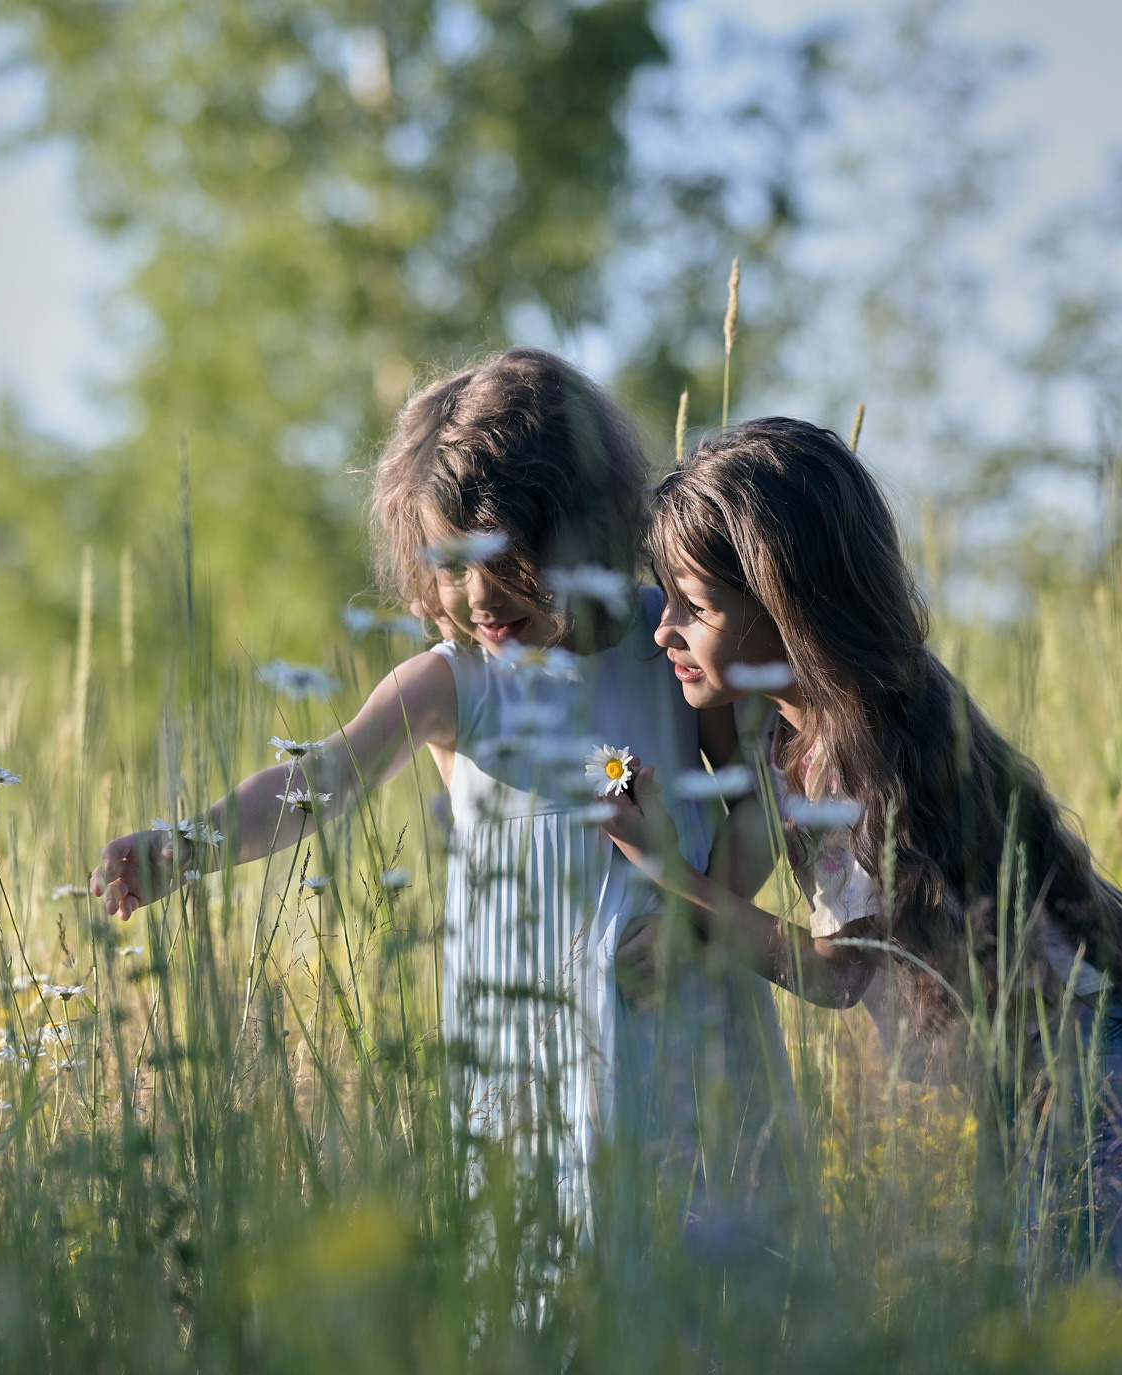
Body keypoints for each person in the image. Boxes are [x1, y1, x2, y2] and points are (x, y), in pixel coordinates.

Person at [88, 348, 796, 1249]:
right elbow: (318, 782)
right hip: (533, 1053)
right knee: (554, 1289)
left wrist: (701, 923)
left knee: (709, 1283)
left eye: (502, 562)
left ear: (581, 529)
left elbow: (756, 807)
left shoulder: (672, 644)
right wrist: (191, 842)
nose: (473, 596)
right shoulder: (452, 685)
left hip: (686, 1018)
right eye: (447, 565)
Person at [596, 416, 1122, 1279]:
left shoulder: (862, 758)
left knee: (1060, 1309)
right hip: (1026, 1060)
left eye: (692, 607)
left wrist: (668, 875)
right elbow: (734, 776)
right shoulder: (791, 703)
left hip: (1104, 1053)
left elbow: (838, 974)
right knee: (1011, 1288)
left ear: (785, 605)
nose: (664, 632)